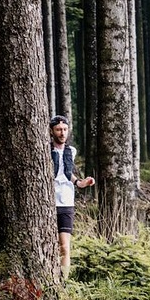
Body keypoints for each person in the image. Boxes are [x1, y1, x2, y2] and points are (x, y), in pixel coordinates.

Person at [50, 115, 95, 278]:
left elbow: (67, 173)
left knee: (65, 247)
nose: (62, 133)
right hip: (48, 201)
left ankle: (64, 282)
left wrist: (81, 183)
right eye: (58, 130)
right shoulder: (45, 150)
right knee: (49, 245)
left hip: (66, 201)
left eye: (64, 129)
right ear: (52, 131)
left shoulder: (71, 151)